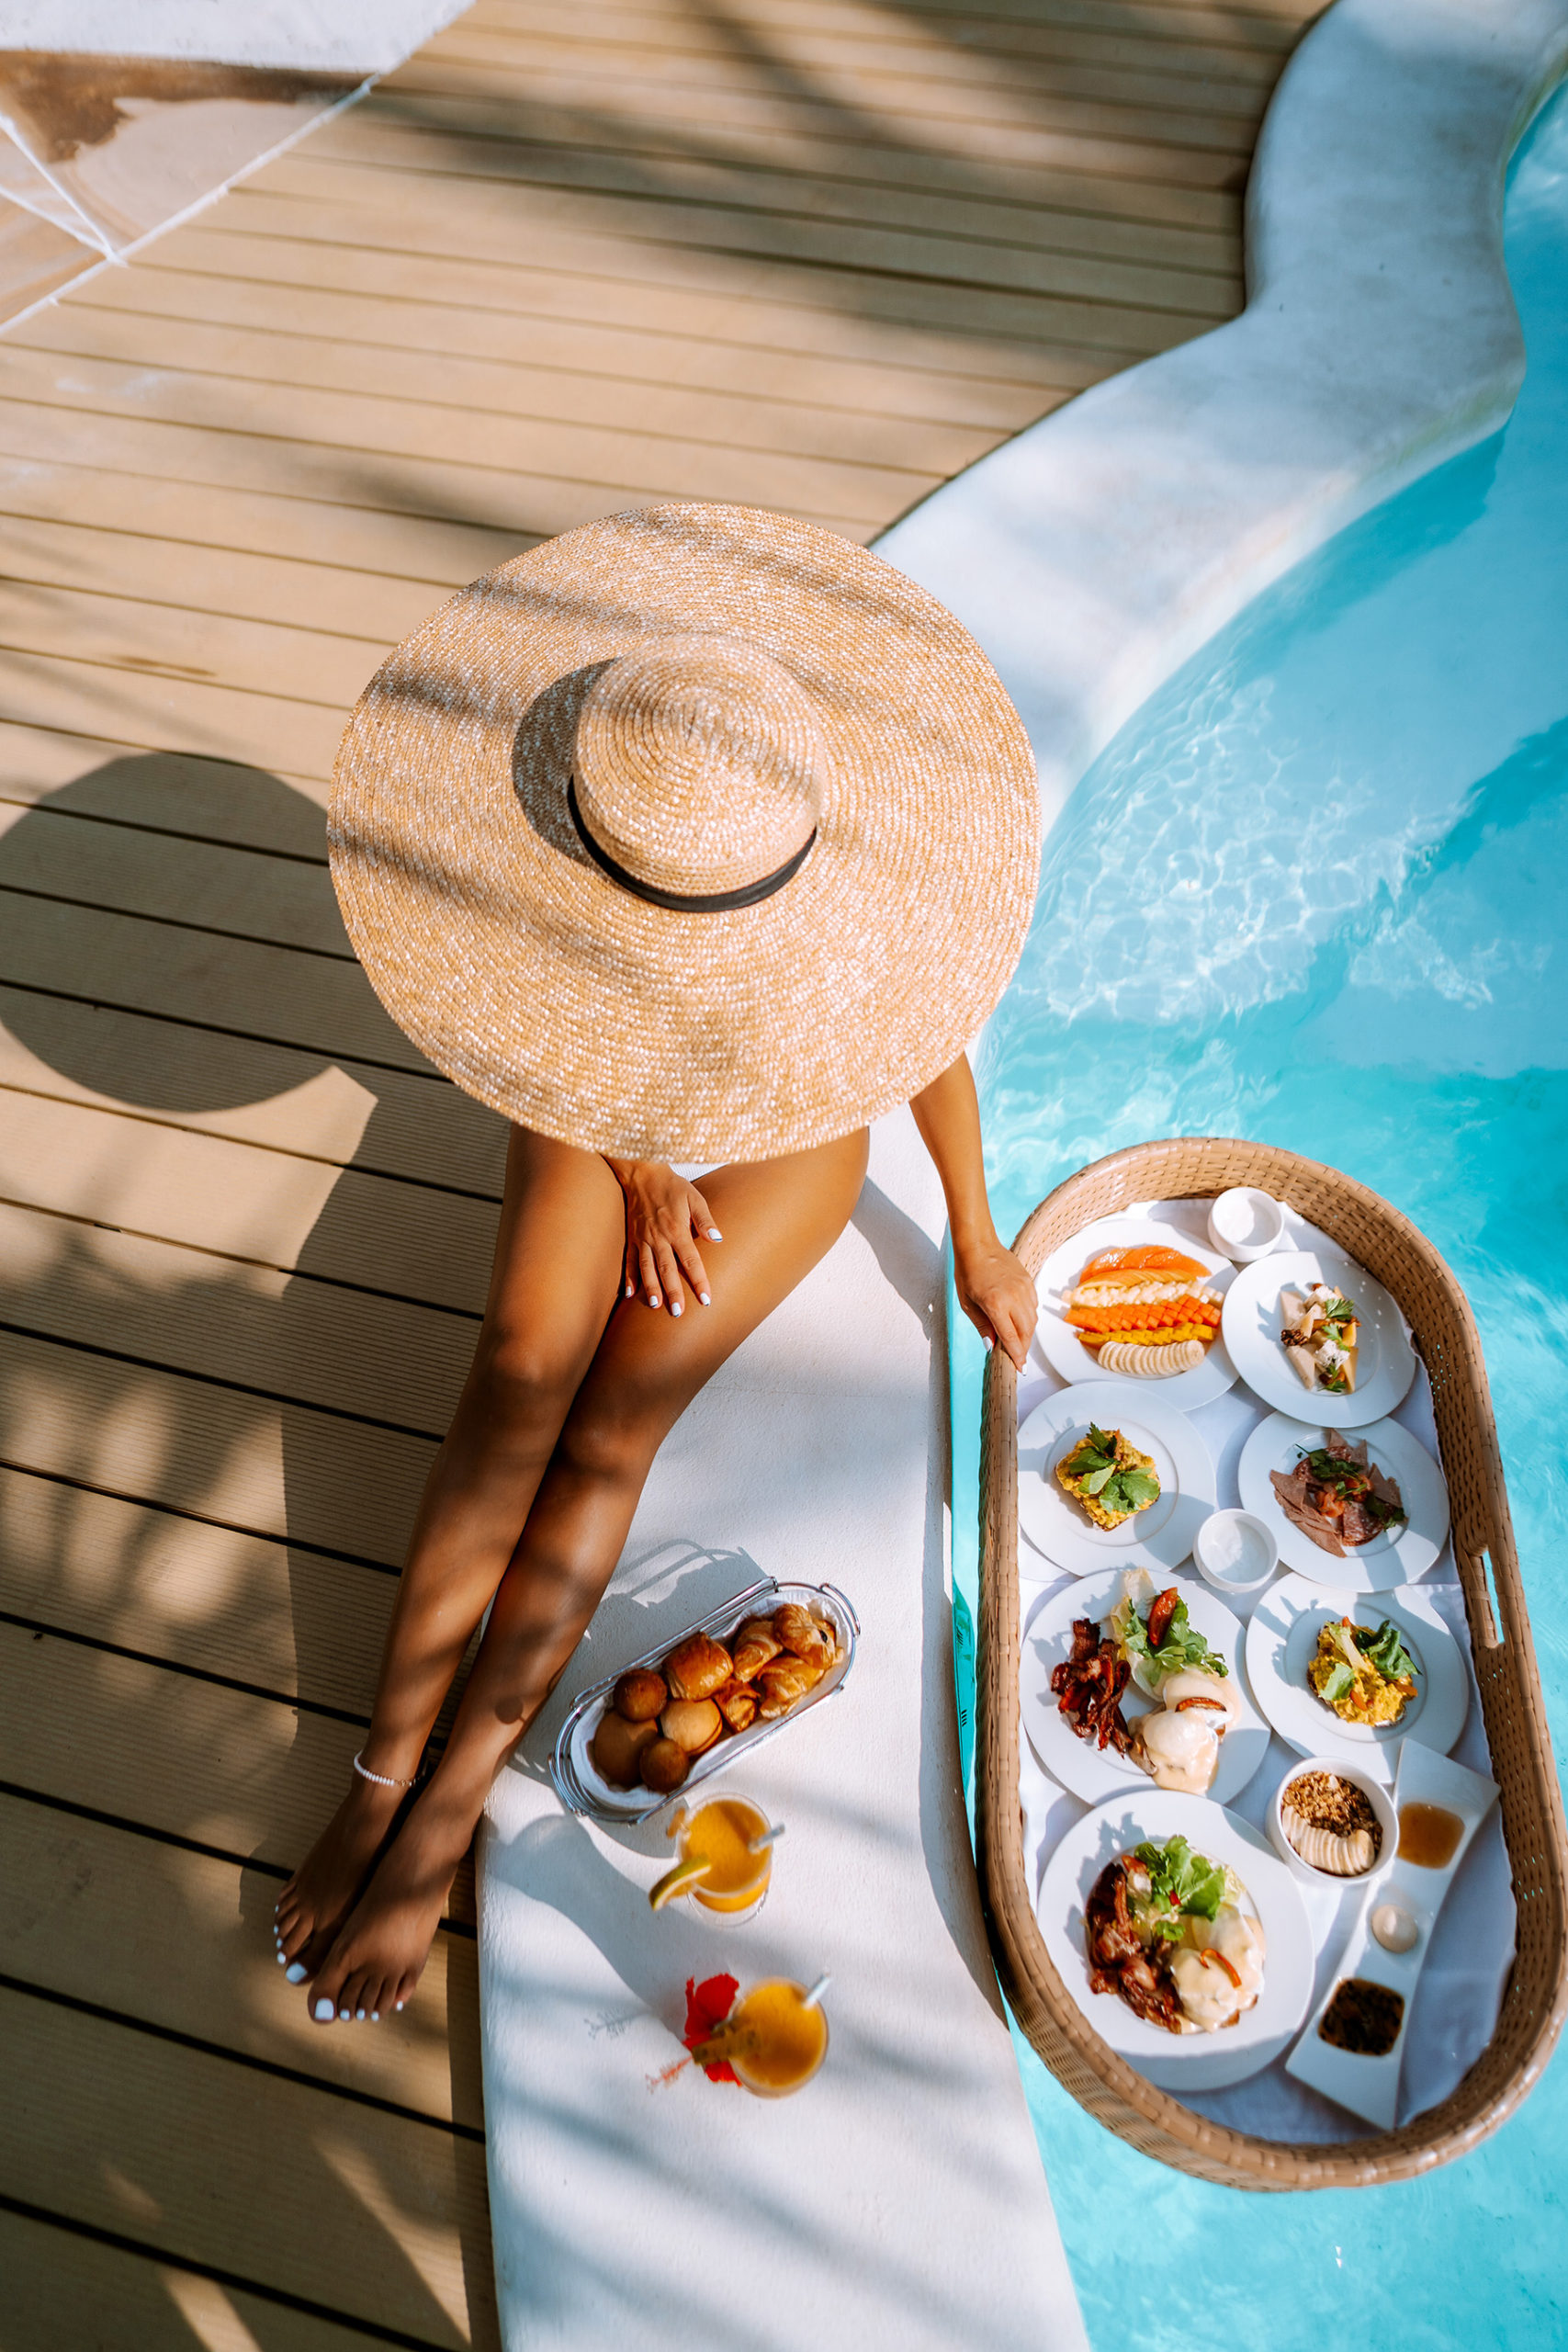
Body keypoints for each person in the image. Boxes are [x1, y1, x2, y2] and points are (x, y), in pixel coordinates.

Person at [274, 501, 1043, 2025]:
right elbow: (520, 996)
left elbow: (926, 1036)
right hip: (600, 1082)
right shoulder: (612, 786)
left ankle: (445, 1813)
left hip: (785, 1123)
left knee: (611, 1423)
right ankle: (378, 1775)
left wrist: (975, 1230)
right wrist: (633, 1157)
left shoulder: (804, 802)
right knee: (518, 1379)